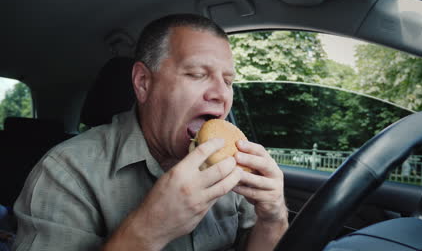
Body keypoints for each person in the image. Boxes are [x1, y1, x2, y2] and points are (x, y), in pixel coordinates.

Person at [12, 14, 288, 251]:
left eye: (228, 81)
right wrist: (148, 230)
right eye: (196, 74)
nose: (220, 94)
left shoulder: (231, 166)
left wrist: (273, 217)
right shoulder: (67, 172)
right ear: (143, 83)